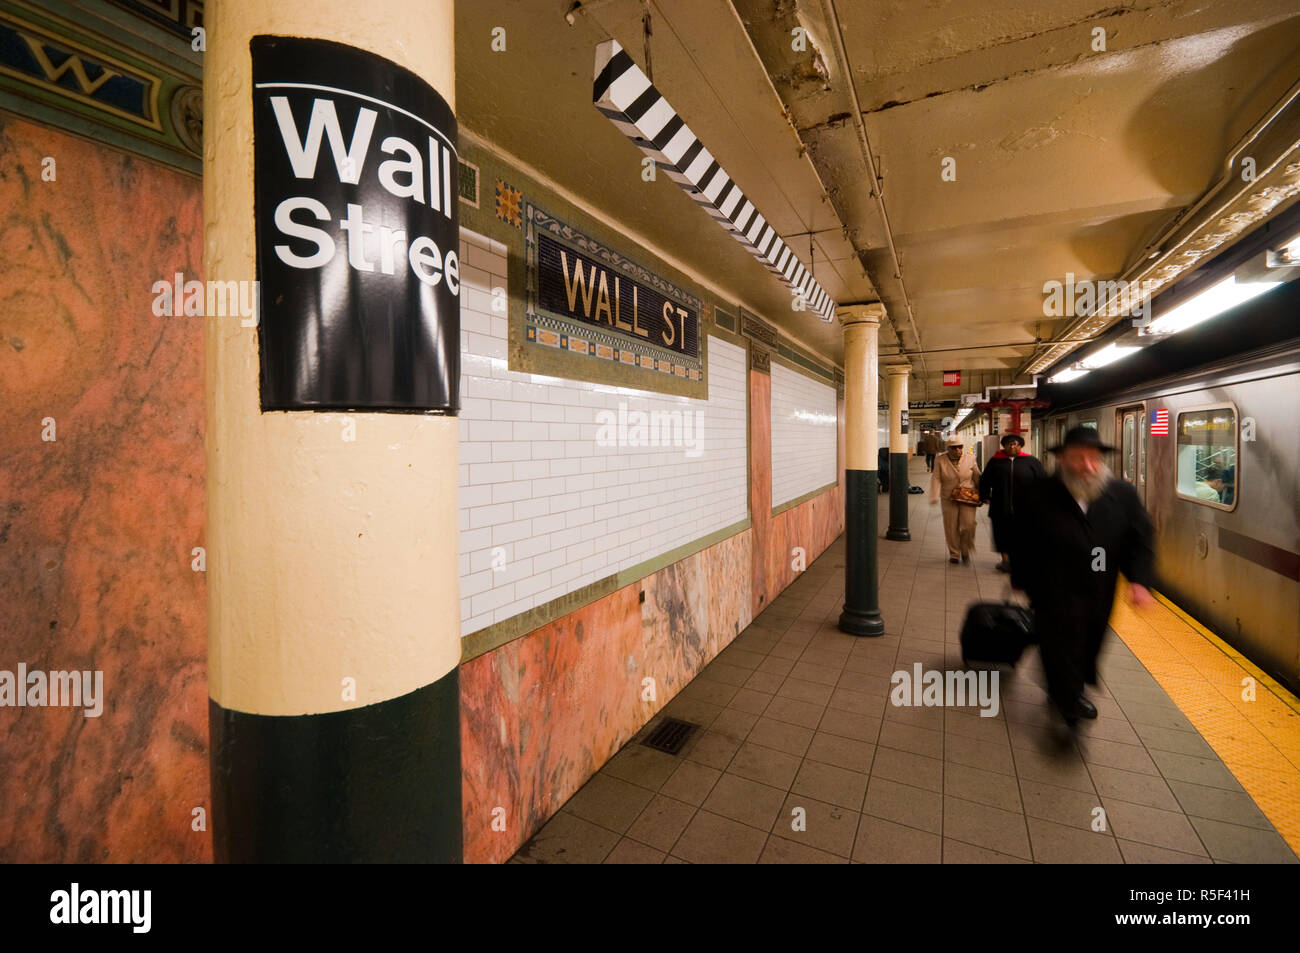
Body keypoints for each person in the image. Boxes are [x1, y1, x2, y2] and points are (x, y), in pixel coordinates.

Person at [1010, 426, 1156, 728]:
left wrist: (1139, 581)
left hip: (1100, 590)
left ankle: (1067, 691)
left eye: (1093, 459)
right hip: (1053, 587)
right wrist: (1022, 579)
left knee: (1089, 642)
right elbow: (1022, 539)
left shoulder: (1122, 495)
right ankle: (1069, 697)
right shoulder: (1040, 493)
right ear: (1062, 459)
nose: (1087, 467)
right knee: (1058, 642)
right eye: (1078, 458)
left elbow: (1140, 538)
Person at [978, 433, 1045, 573]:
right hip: (1000, 505)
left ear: (1020, 446)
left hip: (1025, 507)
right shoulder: (995, 461)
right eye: (1009, 443)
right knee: (1002, 533)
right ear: (1004, 446)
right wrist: (984, 496)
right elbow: (985, 480)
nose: (1012, 446)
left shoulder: (1031, 461)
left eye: (1015, 444)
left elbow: (1042, 481)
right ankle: (1005, 561)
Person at [930, 439, 982, 563]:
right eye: (954, 448)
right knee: (951, 526)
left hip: (967, 495)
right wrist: (934, 494)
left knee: (968, 524)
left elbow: (977, 475)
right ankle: (954, 553)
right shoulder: (940, 460)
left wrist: (983, 493)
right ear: (948, 448)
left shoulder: (970, 458)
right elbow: (936, 477)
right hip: (948, 497)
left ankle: (965, 548)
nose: (958, 450)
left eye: (960, 447)